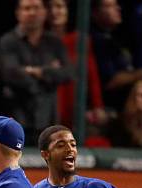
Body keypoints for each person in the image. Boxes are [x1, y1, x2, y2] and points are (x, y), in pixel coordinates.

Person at [0, 0, 73, 145]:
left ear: (44, 12)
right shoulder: (7, 41)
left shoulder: (55, 42)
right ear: (18, 13)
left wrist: (35, 71)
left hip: (49, 118)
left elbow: (68, 73)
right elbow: (10, 74)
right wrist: (49, 72)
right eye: (27, 8)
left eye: (36, 8)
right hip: (16, 117)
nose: (32, 13)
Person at [91, 0, 142, 113]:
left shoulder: (118, 37)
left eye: (116, 4)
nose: (118, 8)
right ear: (94, 13)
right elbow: (110, 81)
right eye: (109, 6)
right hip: (113, 109)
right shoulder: (96, 41)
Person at [47, 0, 107, 130]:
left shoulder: (79, 40)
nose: (54, 12)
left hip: (73, 102)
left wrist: (98, 105)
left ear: (68, 11)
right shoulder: (41, 41)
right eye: (50, 7)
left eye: (59, 7)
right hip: (49, 105)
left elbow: (92, 74)